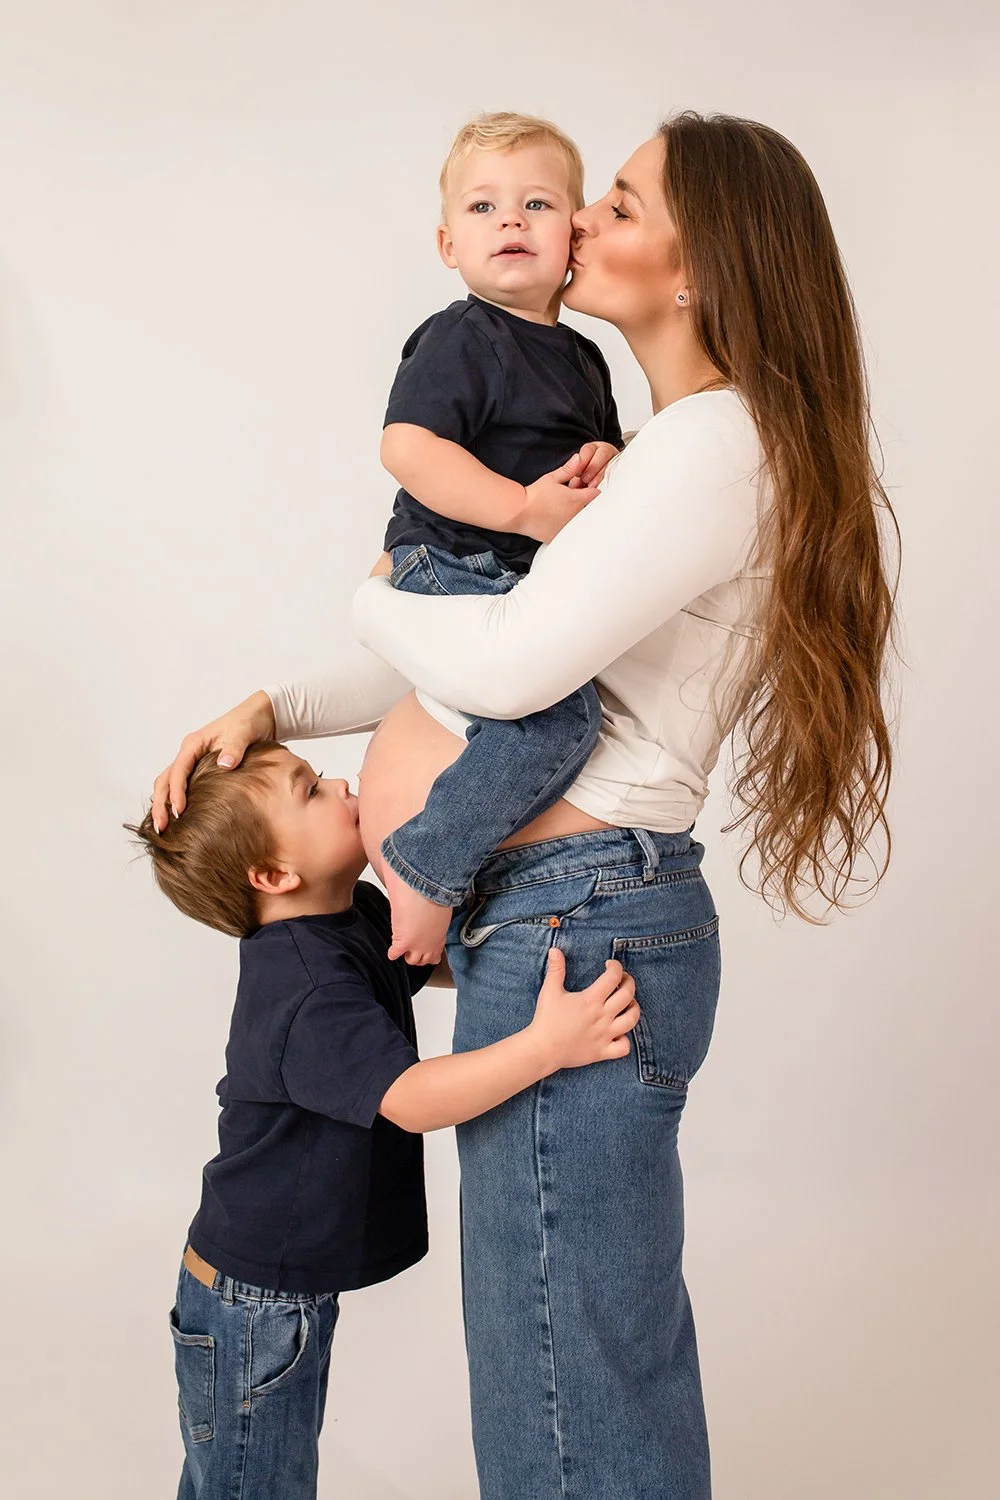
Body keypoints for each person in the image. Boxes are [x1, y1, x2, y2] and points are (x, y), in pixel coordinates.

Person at [152, 113, 897, 1499]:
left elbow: (509, 661)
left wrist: (369, 589)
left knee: (564, 1392)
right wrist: (281, 706)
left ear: (698, 265)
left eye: (615, 202)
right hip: (558, 909)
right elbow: (493, 629)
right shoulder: (663, 446)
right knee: (567, 1367)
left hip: (579, 910)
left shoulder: (705, 447)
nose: (577, 224)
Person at [127, 740, 638, 1500]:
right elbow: (412, 1098)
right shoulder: (302, 988)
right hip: (251, 1305)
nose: (337, 781)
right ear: (274, 875)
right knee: (250, 1486)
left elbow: (438, 956)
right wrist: (545, 1047)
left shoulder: (352, 914)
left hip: (276, 1290)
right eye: (308, 790)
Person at [375, 111, 622, 965]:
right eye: (483, 208)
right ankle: (427, 866)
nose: (510, 221)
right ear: (449, 245)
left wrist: (603, 462)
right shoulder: (463, 335)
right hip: (448, 561)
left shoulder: (584, 357)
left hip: (513, 577)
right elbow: (406, 448)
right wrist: (522, 509)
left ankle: (480, 875)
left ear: (574, 236)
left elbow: (601, 458)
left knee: (550, 705)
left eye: (536, 203)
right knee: (554, 720)